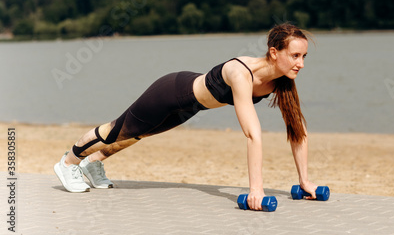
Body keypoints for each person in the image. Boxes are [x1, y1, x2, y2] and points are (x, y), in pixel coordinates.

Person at [54, 23, 318, 210]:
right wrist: (256, 190)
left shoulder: (282, 81)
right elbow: (252, 134)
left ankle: (94, 162)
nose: (301, 63)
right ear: (274, 52)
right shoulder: (242, 73)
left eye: (304, 56)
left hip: (190, 108)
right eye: (295, 55)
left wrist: (305, 181)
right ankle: (68, 163)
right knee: (117, 130)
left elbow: (298, 132)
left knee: (138, 133)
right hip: (172, 91)